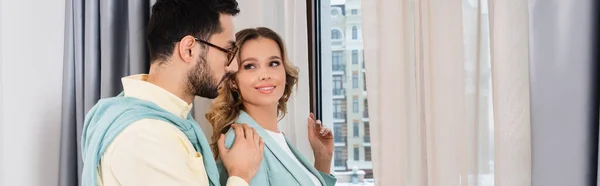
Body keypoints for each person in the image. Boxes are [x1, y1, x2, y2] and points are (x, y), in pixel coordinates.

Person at [80, 0, 264, 185]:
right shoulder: (146, 136)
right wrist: (240, 174)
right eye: (228, 51)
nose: (233, 66)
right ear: (188, 49)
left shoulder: (165, 121)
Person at [206, 27, 337, 186]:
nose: (265, 75)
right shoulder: (243, 141)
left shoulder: (276, 139)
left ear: (285, 71)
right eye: (250, 66)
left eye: (273, 63)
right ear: (233, 81)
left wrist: (323, 157)